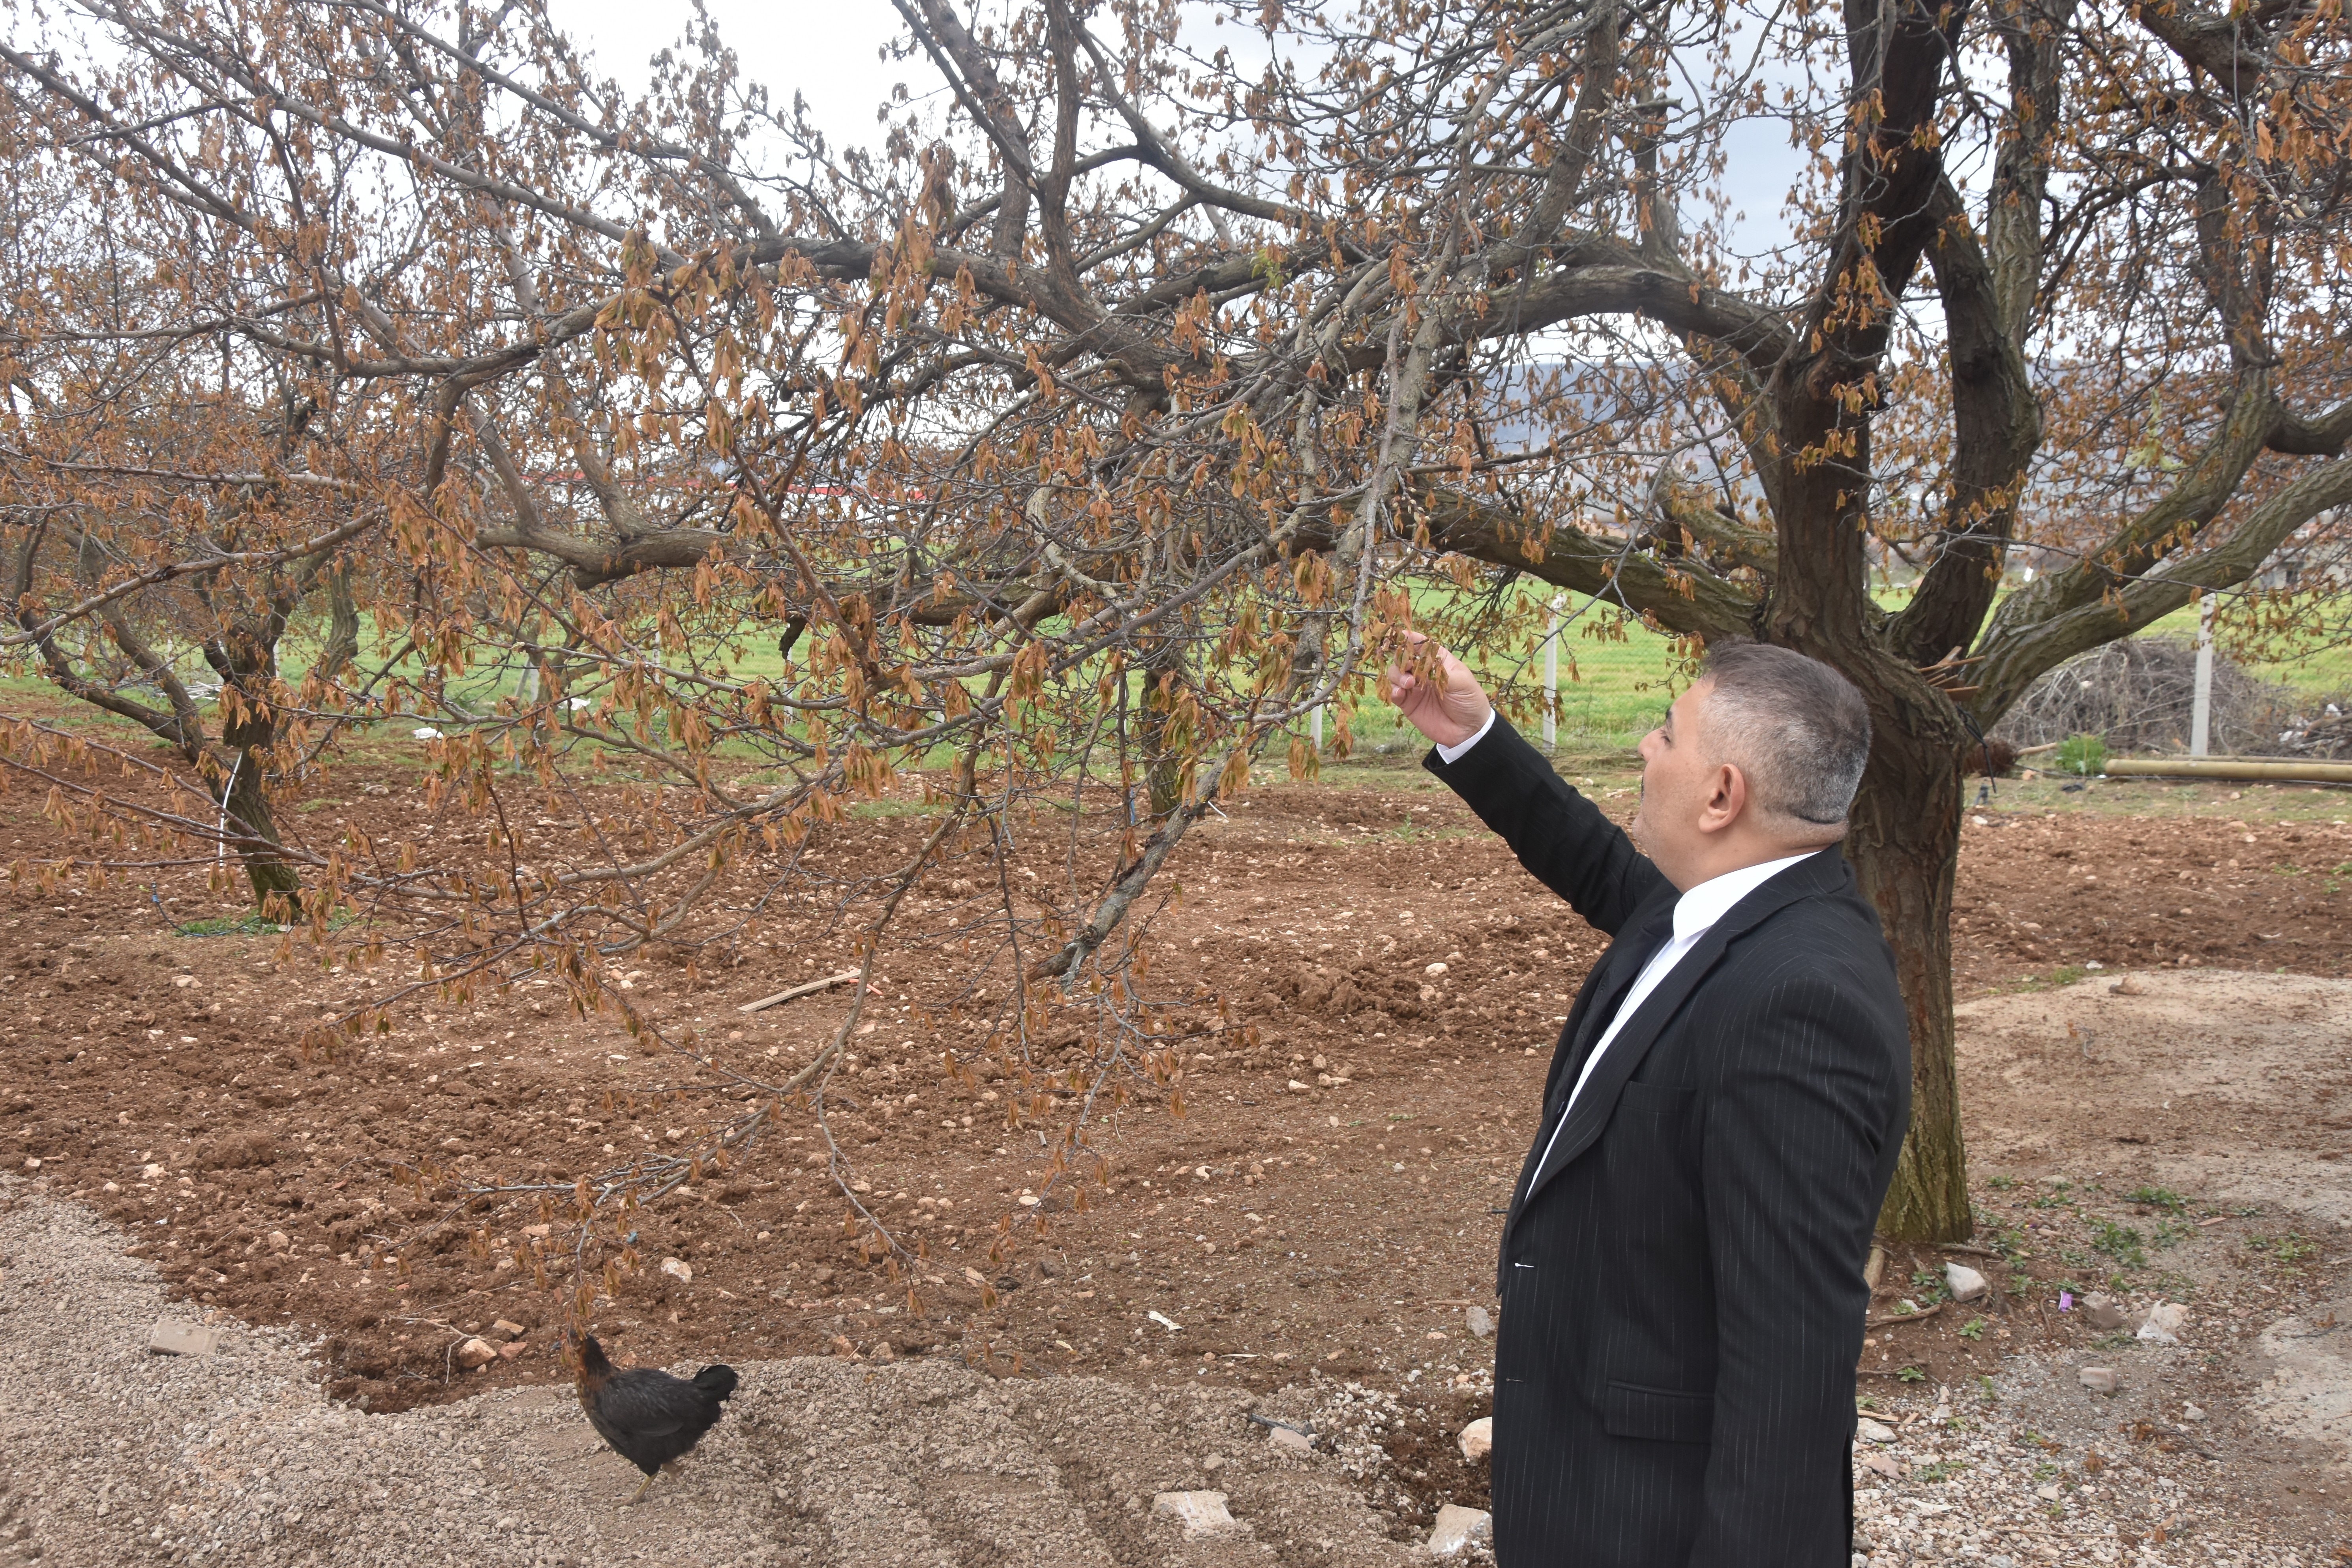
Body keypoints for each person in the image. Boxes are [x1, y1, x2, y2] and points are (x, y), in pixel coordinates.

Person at [1386, 637, 1909, 1567]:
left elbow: (1789, 1374)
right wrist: (1474, 736)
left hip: (1647, 1524)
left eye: (1668, 733)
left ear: (1721, 795)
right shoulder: (1728, 909)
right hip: (1590, 1496)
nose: (1644, 745)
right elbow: (1601, 868)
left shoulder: (1800, 1008)